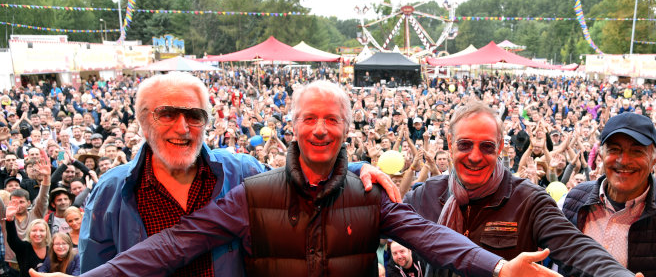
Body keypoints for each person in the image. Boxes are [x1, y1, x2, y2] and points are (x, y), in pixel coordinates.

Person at [38, 80, 559, 277]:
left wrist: (497, 269)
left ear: (346, 129)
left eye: (332, 118)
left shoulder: (369, 194)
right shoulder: (252, 192)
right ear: (292, 126)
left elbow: (433, 238)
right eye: (309, 117)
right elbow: (173, 245)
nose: (320, 128)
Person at [77, 73, 398, 276]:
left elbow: (299, 185)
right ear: (143, 121)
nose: (182, 127)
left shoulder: (241, 171)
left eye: (194, 115)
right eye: (167, 114)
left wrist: (355, 169)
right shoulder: (112, 191)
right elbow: (96, 268)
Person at [403, 101, 636, 276]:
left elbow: (574, 246)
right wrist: (364, 169)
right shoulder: (427, 195)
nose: (474, 156)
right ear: (450, 144)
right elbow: (378, 218)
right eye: (465, 145)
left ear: (501, 147)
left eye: (486, 147)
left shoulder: (528, 200)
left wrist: (616, 274)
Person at [561, 112, 656, 276]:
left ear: (654, 160)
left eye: (636, 151)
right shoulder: (573, 199)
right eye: (614, 149)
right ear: (601, 155)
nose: (623, 160)